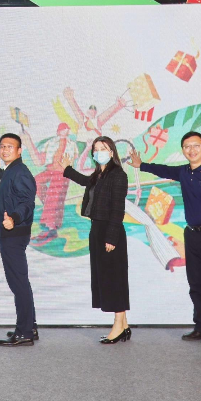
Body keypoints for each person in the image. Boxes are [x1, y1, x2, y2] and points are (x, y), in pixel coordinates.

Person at [128, 131, 201, 344]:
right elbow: (164, 170)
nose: (191, 150)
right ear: (183, 150)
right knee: (196, 284)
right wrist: (141, 165)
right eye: (187, 147)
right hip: (192, 235)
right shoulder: (184, 172)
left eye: (196, 145)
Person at [61, 136, 131, 344]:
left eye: (103, 148)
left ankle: (117, 326)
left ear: (112, 152)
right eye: (96, 149)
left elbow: (118, 209)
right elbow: (86, 182)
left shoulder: (118, 175)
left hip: (110, 231)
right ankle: (124, 325)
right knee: (106, 277)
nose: (99, 152)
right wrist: (67, 169)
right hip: (97, 230)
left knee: (114, 279)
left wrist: (111, 237)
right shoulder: (98, 175)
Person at [0, 133, 38, 347]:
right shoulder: (12, 171)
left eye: (10, 146)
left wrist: (14, 218)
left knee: (18, 282)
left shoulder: (20, 172)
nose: (5, 150)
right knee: (20, 281)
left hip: (13, 234)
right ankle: (29, 326)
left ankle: (24, 332)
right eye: (2, 146)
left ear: (19, 151)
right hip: (11, 232)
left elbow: (27, 202)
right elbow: (11, 189)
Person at [23, 123, 78, 242]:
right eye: (63, 129)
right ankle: (49, 209)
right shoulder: (50, 143)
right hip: (50, 170)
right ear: (58, 131)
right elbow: (39, 161)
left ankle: (51, 228)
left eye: (67, 129)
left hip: (63, 172)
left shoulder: (72, 145)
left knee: (55, 195)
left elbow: (74, 159)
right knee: (35, 182)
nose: (65, 131)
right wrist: (29, 142)